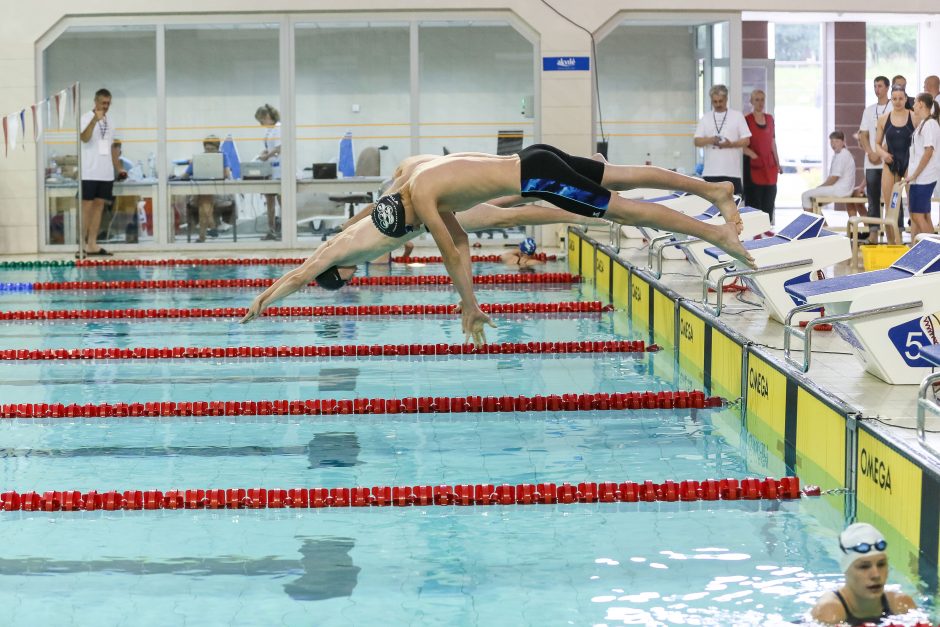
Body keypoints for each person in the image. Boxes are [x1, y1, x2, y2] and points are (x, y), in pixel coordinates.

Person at [242, 145, 754, 346]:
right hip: (533, 156)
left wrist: (469, 307)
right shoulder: (411, 179)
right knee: (622, 174)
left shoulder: (423, 208)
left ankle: (715, 233)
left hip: (537, 176)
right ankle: (712, 189)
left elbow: (453, 253)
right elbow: (319, 257)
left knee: (625, 206)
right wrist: (268, 295)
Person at [811, 522, 916, 625]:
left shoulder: (901, 604)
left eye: (881, 564)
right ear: (845, 570)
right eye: (864, 566)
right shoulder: (829, 612)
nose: (876, 575)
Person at [78, 88, 125, 256]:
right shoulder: (85, 117)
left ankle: (92, 244)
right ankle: (81, 245)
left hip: (105, 173)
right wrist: (93, 121)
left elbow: (112, 147)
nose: (105, 106)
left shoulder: (111, 121)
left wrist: (118, 167)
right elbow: (84, 138)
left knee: (99, 207)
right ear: (95, 102)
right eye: (103, 103)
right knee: (86, 207)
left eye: (108, 103)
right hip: (89, 172)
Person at [694, 84, 751, 198]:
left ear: (726, 99)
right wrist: (710, 139)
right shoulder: (706, 117)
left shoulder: (737, 116)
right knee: (710, 210)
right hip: (710, 172)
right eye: (715, 102)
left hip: (732, 172)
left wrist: (731, 144)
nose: (718, 104)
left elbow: (746, 141)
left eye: (721, 101)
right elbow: (697, 141)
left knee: (733, 209)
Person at [875, 83, 915, 244]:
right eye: (894, 99)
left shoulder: (914, 117)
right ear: (891, 100)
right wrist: (884, 154)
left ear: (906, 99)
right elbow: (877, 144)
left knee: (914, 207)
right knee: (890, 206)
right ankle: (892, 243)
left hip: (909, 164)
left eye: (900, 98)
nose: (897, 101)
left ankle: (915, 243)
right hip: (890, 164)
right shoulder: (884, 119)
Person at [857, 76, 891, 241]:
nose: (877, 89)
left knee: (890, 199)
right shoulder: (869, 110)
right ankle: (873, 234)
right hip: (871, 162)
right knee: (872, 199)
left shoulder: (894, 107)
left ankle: (893, 233)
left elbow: (894, 134)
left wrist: (880, 152)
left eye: (880, 86)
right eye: (874, 86)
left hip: (887, 161)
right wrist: (870, 152)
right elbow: (863, 134)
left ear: (887, 88)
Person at [182, 135, 233, 243]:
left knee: (204, 199)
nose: (209, 152)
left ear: (218, 149)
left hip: (219, 192)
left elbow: (227, 174)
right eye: (207, 149)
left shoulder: (223, 156)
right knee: (204, 199)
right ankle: (212, 228)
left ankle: (204, 235)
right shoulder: (199, 158)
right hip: (203, 192)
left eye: (212, 149)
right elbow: (185, 175)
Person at [904, 92, 940, 243]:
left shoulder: (930, 124)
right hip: (920, 178)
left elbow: (928, 151)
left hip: (924, 178)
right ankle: (933, 253)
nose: (913, 106)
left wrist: (914, 175)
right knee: (923, 215)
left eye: (914, 103)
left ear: (921, 104)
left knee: (918, 215)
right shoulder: (924, 123)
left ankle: (933, 253)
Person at [742, 89, 781, 223]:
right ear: (751, 102)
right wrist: (753, 156)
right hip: (754, 167)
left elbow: (772, 142)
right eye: (757, 100)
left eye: (762, 99)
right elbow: (742, 145)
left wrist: (778, 163)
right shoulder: (746, 120)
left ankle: (767, 232)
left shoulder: (770, 119)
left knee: (769, 202)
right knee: (754, 203)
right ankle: (754, 235)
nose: (760, 102)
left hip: (769, 168)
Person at [801, 131, 856, 213]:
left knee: (805, 195)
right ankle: (822, 225)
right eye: (832, 141)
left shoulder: (842, 155)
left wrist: (819, 187)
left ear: (843, 142)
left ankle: (812, 225)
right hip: (842, 189)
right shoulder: (841, 154)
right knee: (813, 201)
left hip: (840, 190)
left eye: (836, 141)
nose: (833, 144)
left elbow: (833, 178)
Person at [255, 104, 281, 241]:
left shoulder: (279, 128)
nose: (261, 123)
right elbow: (271, 148)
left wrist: (268, 155)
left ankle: (285, 232)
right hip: (271, 170)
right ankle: (271, 230)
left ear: (267, 117)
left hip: (281, 171)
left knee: (282, 202)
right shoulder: (270, 131)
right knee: (269, 201)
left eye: (261, 120)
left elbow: (280, 148)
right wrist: (264, 153)